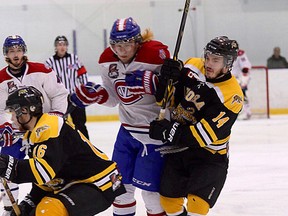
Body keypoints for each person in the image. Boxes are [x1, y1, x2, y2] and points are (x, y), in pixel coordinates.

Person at [70, 17, 170, 216]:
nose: (121, 50)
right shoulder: (107, 60)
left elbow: (176, 93)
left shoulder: (154, 55)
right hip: (126, 134)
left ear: (138, 42)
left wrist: (157, 83)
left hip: (154, 135)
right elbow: (114, 98)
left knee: (151, 196)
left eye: (127, 44)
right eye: (117, 44)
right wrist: (99, 96)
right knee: (120, 192)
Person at [148, 36, 244, 216]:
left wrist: (167, 132)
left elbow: (203, 136)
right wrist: (166, 80)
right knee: (169, 203)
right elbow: (166, 100)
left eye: (215, 60)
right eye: (207, 57)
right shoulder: (192, 65)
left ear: (228, 64)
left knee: (197, 206)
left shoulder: (232, 95)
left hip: (209, 155)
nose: (208, 63)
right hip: (179, 149)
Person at [0, 86, 126, 216]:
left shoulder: (50, 127)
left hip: (98, 183)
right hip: (75, 183)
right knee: (34, 212)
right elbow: (47, 180)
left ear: (26, 111)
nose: (13, 119)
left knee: (48, 209)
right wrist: (29, 203)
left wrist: (9, 165)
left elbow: (44, 171)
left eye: (14, 113)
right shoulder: (33, 135)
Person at [0, 35, 68, 215]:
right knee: (7, 166)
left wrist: (56, 118)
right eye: (11, 51)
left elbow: (59, 95)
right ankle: (9, 209)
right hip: (18, 130)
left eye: (19, 50)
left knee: (46, 169)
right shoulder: (1, 79)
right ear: (6, 54)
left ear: (24, 51)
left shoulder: (41, 70)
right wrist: (4, 124)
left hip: (44, 130)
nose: (16, 55)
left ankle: (46, 202)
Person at [45, 35, 89, 138]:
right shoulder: (49, 62)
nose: (62, 47)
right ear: (55, 47)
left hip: (76, 97)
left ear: (67, 46)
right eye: (59, 44)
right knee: (60, 124)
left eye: (64, 44)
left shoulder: (74, 59)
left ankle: (86, 147)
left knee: (80, 124)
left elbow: (83, 74)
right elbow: (46, 80)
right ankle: (64, 149)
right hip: (60, 99)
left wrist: (83, 90)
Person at [231, 49, 252, 120]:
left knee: (242, 95)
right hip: (228, 80)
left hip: (237, 79)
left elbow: (245, 67)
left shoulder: (240, 54)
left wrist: (244, 79)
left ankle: (247, 112)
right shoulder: (223, 54)